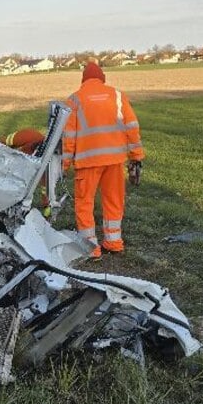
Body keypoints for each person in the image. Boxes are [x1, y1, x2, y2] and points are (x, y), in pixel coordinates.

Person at [62, 62, 145, 259]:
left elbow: (68, 137)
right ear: (102, 77)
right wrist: (136, 157)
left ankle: (91, 248)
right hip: (115, 160)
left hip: (87, 162)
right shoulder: (117, 96)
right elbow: (132, 127)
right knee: (114, 201)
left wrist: (64, 166)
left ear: (83, 79)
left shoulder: (74, 100)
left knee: (84, 203)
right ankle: (114, 242)